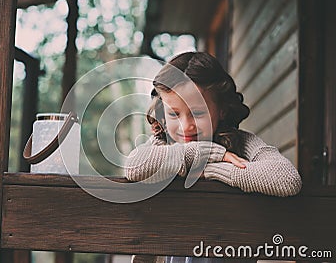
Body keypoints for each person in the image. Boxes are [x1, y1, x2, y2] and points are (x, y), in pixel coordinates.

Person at [124, 52, 302, 263]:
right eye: (174, 114)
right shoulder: (162, 144)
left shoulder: (242, 143)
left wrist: (211, 169)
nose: (186, 126)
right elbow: (134, 167)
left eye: (197, 113)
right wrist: (206, 155)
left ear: (223, 111)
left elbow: (287, 179)